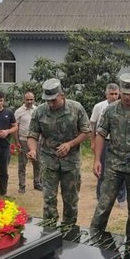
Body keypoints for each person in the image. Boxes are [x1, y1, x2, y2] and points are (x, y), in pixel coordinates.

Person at [90, 73, 130, 247]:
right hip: (114, 165)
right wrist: (97, 159)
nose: (126, 97)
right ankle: (93, 241)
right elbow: (101, 134)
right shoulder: (110, 110)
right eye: (124, 94)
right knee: (103, 205)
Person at [28, 79, 90, 226]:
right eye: (47, 100)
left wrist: (70, 144)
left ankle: (69, 228)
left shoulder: (76, 108)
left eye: (54, 100)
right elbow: (32, 134)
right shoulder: (39, 111)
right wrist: (32, 150)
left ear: (62, 95)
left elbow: (86, 131)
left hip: (71, 161)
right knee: (49, 198)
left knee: (70, 199)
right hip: (49, 160)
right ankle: (49, 229)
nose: (51, 104)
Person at [90, 83, 124, 201]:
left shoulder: (123, 107)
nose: (114, 96)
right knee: (102, 169)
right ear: (106, 94)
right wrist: (93, 142)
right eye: (111, 94)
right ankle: (100, 197)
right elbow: (93, 125)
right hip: (103, 141)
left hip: (119, 142)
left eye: (116, 94)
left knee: (121, 169)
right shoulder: (99, 107)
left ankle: (121, 198)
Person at [14, 91, 42, 193]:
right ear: (23, 99)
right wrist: (17, 142)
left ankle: (37, 183)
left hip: (36, 140)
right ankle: (22, 185)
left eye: (31, 99)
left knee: (38, 163)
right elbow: (15, 127)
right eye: (27, 99)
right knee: (22, 164)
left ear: (34, 99)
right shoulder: (18, 112)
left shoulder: (37, 110)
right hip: (23, 141)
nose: (29, 101)